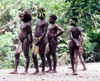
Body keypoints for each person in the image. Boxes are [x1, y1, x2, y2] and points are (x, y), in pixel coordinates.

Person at [31, 7, 48, 75]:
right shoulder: (37, 21)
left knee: (42, 54)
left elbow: (44, 32)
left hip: (42, 40)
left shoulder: (45, 22)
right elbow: (35, 29)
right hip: (36, 39)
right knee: (33, 54)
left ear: (42, 14)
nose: (37, 15)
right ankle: (37, 69)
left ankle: (43, 70)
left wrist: (40, 39)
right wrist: (34, 38)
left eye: (38, 13)